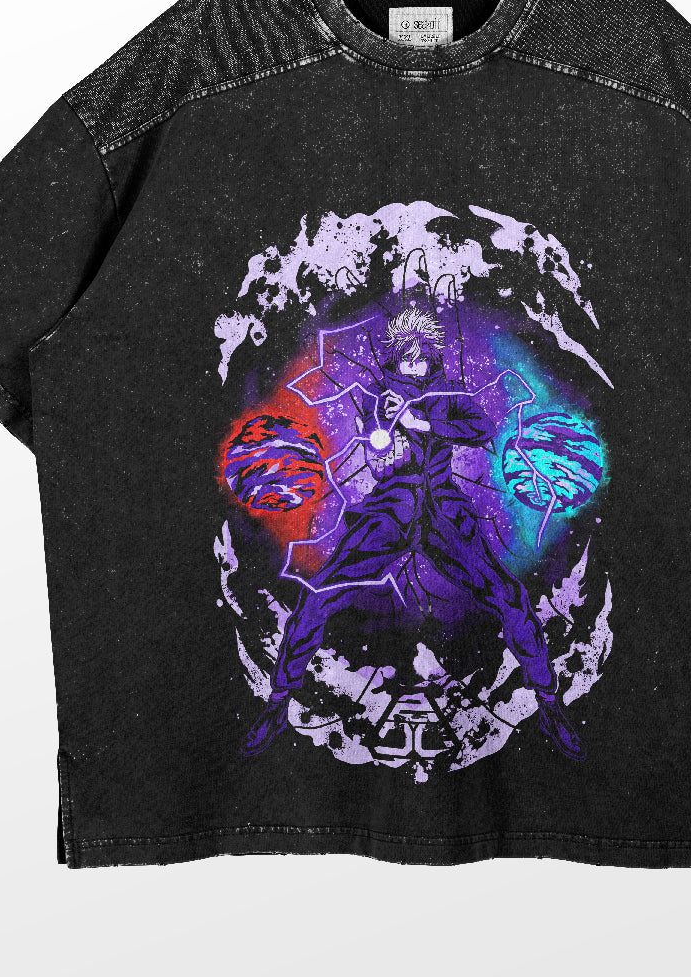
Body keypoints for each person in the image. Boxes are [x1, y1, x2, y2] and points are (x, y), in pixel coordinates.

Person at [240, 306, 586, 760]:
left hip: (444, 512)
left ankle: (549, 703)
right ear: (396, 357)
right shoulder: (379, 397)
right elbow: (379, 461)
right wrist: (384, 438)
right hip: (391, 510)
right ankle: (278, 701)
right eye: (408, 357)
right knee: (319, 595)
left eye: (423, 357)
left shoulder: (448, 396)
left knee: (509, 597)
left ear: (432, 357)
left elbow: (480, 427)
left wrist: (420, 422)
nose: (416, 365)